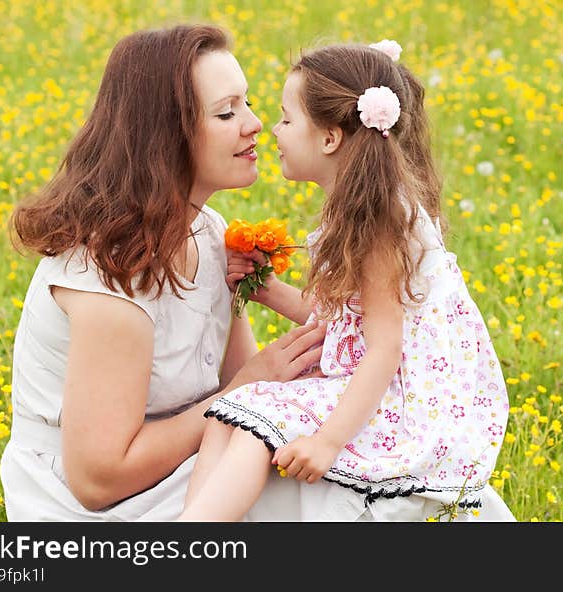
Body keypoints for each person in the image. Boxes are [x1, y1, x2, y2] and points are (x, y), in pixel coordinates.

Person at [0, 23, 360, 521]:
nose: (255, 124)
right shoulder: (108, 277)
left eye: (249, 104)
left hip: (191, 461)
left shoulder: (208, 232)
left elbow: (241, 383)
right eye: (227, 112)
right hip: (100, 511)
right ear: (166, 134)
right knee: (331, 501)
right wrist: (244, 391)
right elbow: (97, 481)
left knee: (365, 472)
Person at [178, 41, 514, 522]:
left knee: (254, 424)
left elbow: (383, 349)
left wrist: (326, 442)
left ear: (330, 139)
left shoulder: (380, 223)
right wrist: (267, 289)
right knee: (227, 414)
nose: (270, 130)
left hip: (399, 400)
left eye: (286, 119)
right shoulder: (357, 211)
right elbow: (340, 320)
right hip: (370, 380)